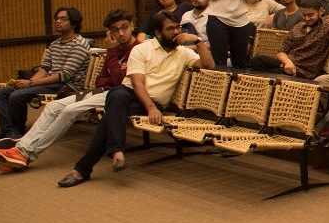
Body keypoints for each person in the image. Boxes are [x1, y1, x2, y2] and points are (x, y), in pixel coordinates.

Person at [57, 13, 215, 187]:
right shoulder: (141, 49)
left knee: (112, 113)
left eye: (177, 27)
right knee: (117, 94)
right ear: (158, 33)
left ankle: (91, 165)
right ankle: (107, 156)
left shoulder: (184, 53)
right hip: (131, 94)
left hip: (153, 101)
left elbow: (208, 65)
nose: (176, 32)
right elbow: (137, 83)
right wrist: (150, 108)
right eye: (170, 29)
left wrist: (198, 41)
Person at [0, 9, 140, 172]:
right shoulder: (114, 50)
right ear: (110, 32)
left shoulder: (137, 50)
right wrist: (114, 70)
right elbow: (100, 79)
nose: (121, 33)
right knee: (53, 107)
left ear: (132, 25)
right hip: (100, 91)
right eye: (115, 30)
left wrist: (112, 56)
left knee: (69, 111)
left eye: (124, 27)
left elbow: (120, 82)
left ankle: (25, 153)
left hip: (119, 96)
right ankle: (20, 149)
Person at [0, 7, 91, 143]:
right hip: (51, 82)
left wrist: (30, 84)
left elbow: (64, 75)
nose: (58, 22)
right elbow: (44, 69)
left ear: (74, 23)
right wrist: (26, 84)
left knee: (17, 96)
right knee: (1, 93)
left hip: (67, 86)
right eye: (57, 19)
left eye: (63, 19)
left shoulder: (80, 45)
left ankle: (16, 133)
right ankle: (8, 132)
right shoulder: (54, 45)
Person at [248, 0, 329, 80]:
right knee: (257, 61)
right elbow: (281, 52)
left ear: (320, 11)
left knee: (266, 75)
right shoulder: (298, 27)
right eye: (304, 15)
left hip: (303, 72)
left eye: (310, 15)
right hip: (287, 64)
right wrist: (288, 62)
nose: (307, 18)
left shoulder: (327, 27)